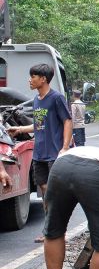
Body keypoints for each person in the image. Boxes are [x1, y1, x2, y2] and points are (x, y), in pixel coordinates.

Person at [8, 64, 72, 242]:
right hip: (39, 153)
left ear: (43, 79)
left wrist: (65, 147)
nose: (30, 80)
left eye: (33, 76)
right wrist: (20, 129)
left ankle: (58, 230)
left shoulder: (56, 98)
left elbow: (67, 121)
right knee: (44, 190)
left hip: (54, 153)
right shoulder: (37, 100)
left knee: (54, 193)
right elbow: (38, 125)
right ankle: (49, 229)